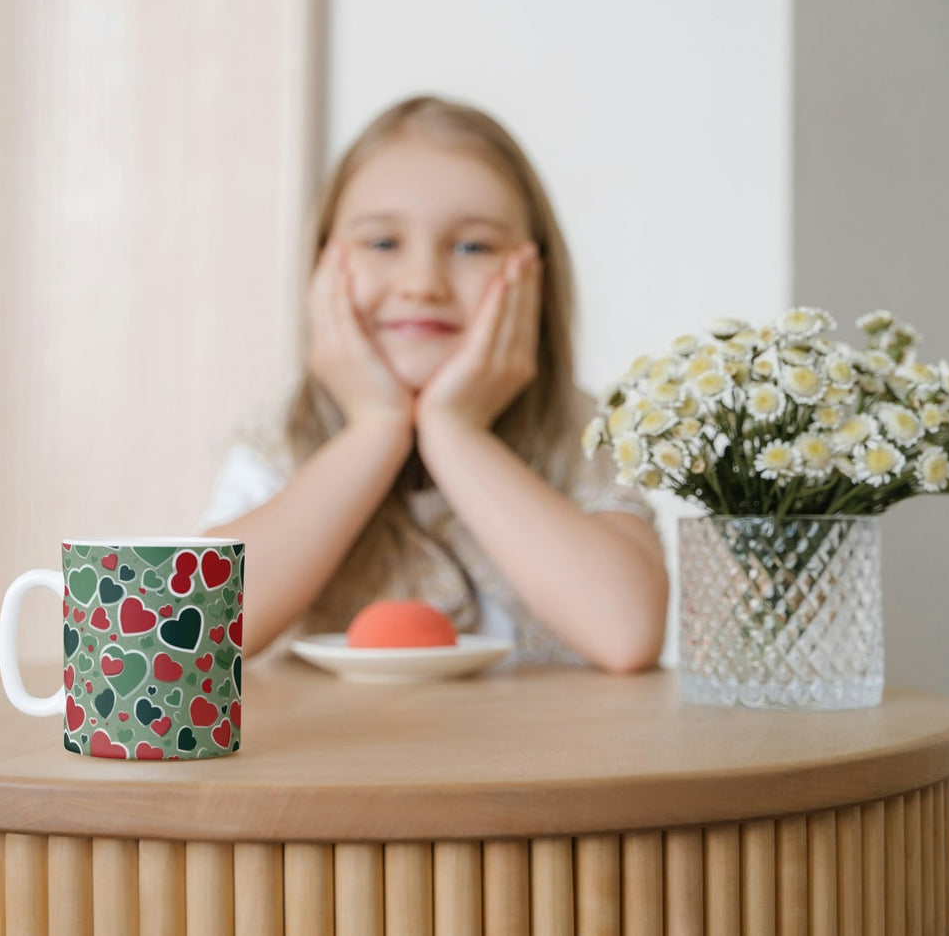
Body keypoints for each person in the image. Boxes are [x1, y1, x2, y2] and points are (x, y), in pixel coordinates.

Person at [201, 95, 668, 671]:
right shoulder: (282, 439)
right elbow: (193, 630)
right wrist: (375, 430)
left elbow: (626, 633)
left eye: (472, 246)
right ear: (324, 268)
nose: (423, 283)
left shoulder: (580, 434)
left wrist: (457, 433)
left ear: (535, 275)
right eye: (382, 243)